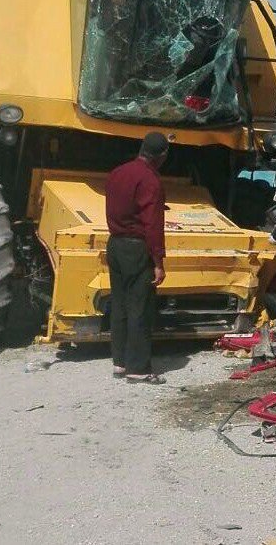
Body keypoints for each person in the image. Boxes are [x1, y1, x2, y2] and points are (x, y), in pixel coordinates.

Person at [105, 132, 169, 384]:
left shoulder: (117, 173)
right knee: (139, 308)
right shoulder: (150, 181)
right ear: (162, 155)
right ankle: (138, 369)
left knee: (119, 306)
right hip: (136, 248)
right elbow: (153, 225)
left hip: (115, 244)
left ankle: (119, 362)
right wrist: (159, 262)